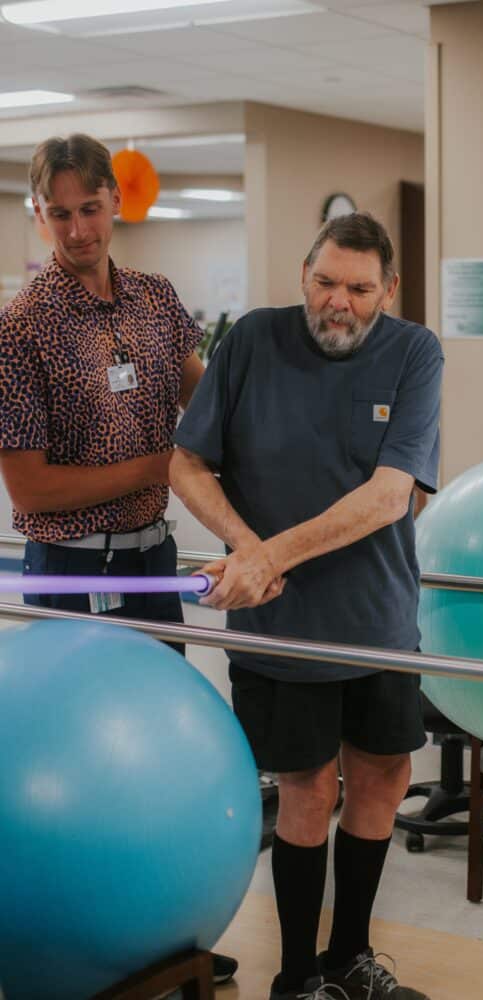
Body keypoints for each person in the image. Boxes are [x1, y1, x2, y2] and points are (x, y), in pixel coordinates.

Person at [170, 212, 443, 1000]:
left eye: (360, 288)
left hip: (379, 620)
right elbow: (185, 462)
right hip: (281, 628)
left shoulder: (414, 353)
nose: (340, 302)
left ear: (387, 291)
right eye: (326, 282)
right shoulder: (252, 341)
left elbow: (391, 496)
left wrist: (266, 557)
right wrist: (240, 540)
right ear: (303, 276)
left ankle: (349, 960)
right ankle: (296, 979)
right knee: (306, 789)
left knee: (384, 777)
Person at [0, 134, 239, 983]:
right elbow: (28, 485)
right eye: (57, 213)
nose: (75, 229)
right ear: (39, 214)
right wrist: (158, 463)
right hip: (69, 570)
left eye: (89, 209)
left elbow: (200, 400)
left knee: (157, 746)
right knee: (83, 760)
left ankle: (166, 922)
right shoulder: (23, 327)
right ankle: (90, 934)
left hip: (153, 560)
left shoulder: (154, 297)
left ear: (115, 205)